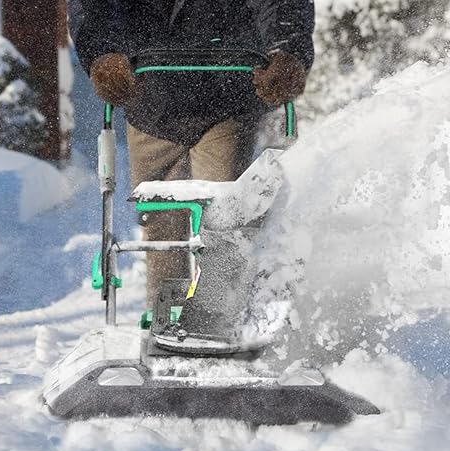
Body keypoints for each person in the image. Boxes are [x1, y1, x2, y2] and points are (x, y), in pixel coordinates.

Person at [68, 0, 315, 306]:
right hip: (150, 99)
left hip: (226, 98)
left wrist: (285, 50)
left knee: (222, 218)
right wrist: (103, 52)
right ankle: (163, 311)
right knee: (159, 222)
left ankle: (218, 311)